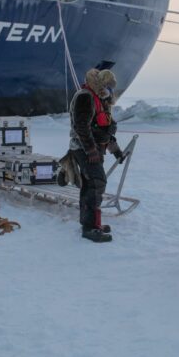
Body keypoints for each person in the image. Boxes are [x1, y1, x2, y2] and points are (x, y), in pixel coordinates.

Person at [68, 67, 126, 243]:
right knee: (96, 184)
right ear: (101, 84)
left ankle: (90, 222)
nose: (110, 91)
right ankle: (90, 228)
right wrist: (91, 150)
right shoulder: (86, 97)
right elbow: (82, 127)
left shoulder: (102, 100)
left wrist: (115, 150)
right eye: (108, 86)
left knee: (90, 185)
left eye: (111, 88)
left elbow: (104, 129)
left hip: (93, 149)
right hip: (84, 149)